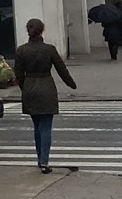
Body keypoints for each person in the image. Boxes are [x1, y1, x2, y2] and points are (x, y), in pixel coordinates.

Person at [13, 18, 77, 174]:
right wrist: (71, 84)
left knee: (37, 125)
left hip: (29, 87)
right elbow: (62, 70)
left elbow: (18, 74)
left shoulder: (21, 50)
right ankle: (44, 161)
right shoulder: (49, 49)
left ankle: (40, 158)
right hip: (46, 86)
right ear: (42, 30)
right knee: (46, 126)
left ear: (28, 30)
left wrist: (24, 88)